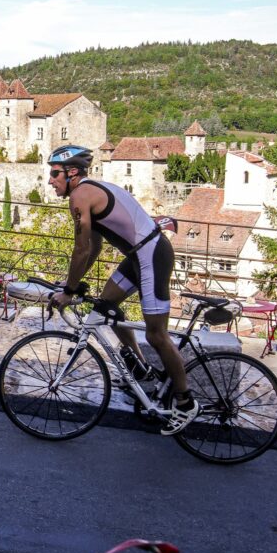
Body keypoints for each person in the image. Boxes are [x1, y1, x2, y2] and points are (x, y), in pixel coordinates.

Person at [44, 144, 199, 435]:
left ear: (72, 172)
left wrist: (68, 290)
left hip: (151, 255)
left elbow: (80, 249)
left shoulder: (79, 196)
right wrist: (72, 286)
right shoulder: (90, 189)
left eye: (54, 174)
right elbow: (95, 247)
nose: (50, 180)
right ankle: (140, 370)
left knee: (156, 334)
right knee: (105, 307)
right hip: (138, 255)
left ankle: (185, 402)